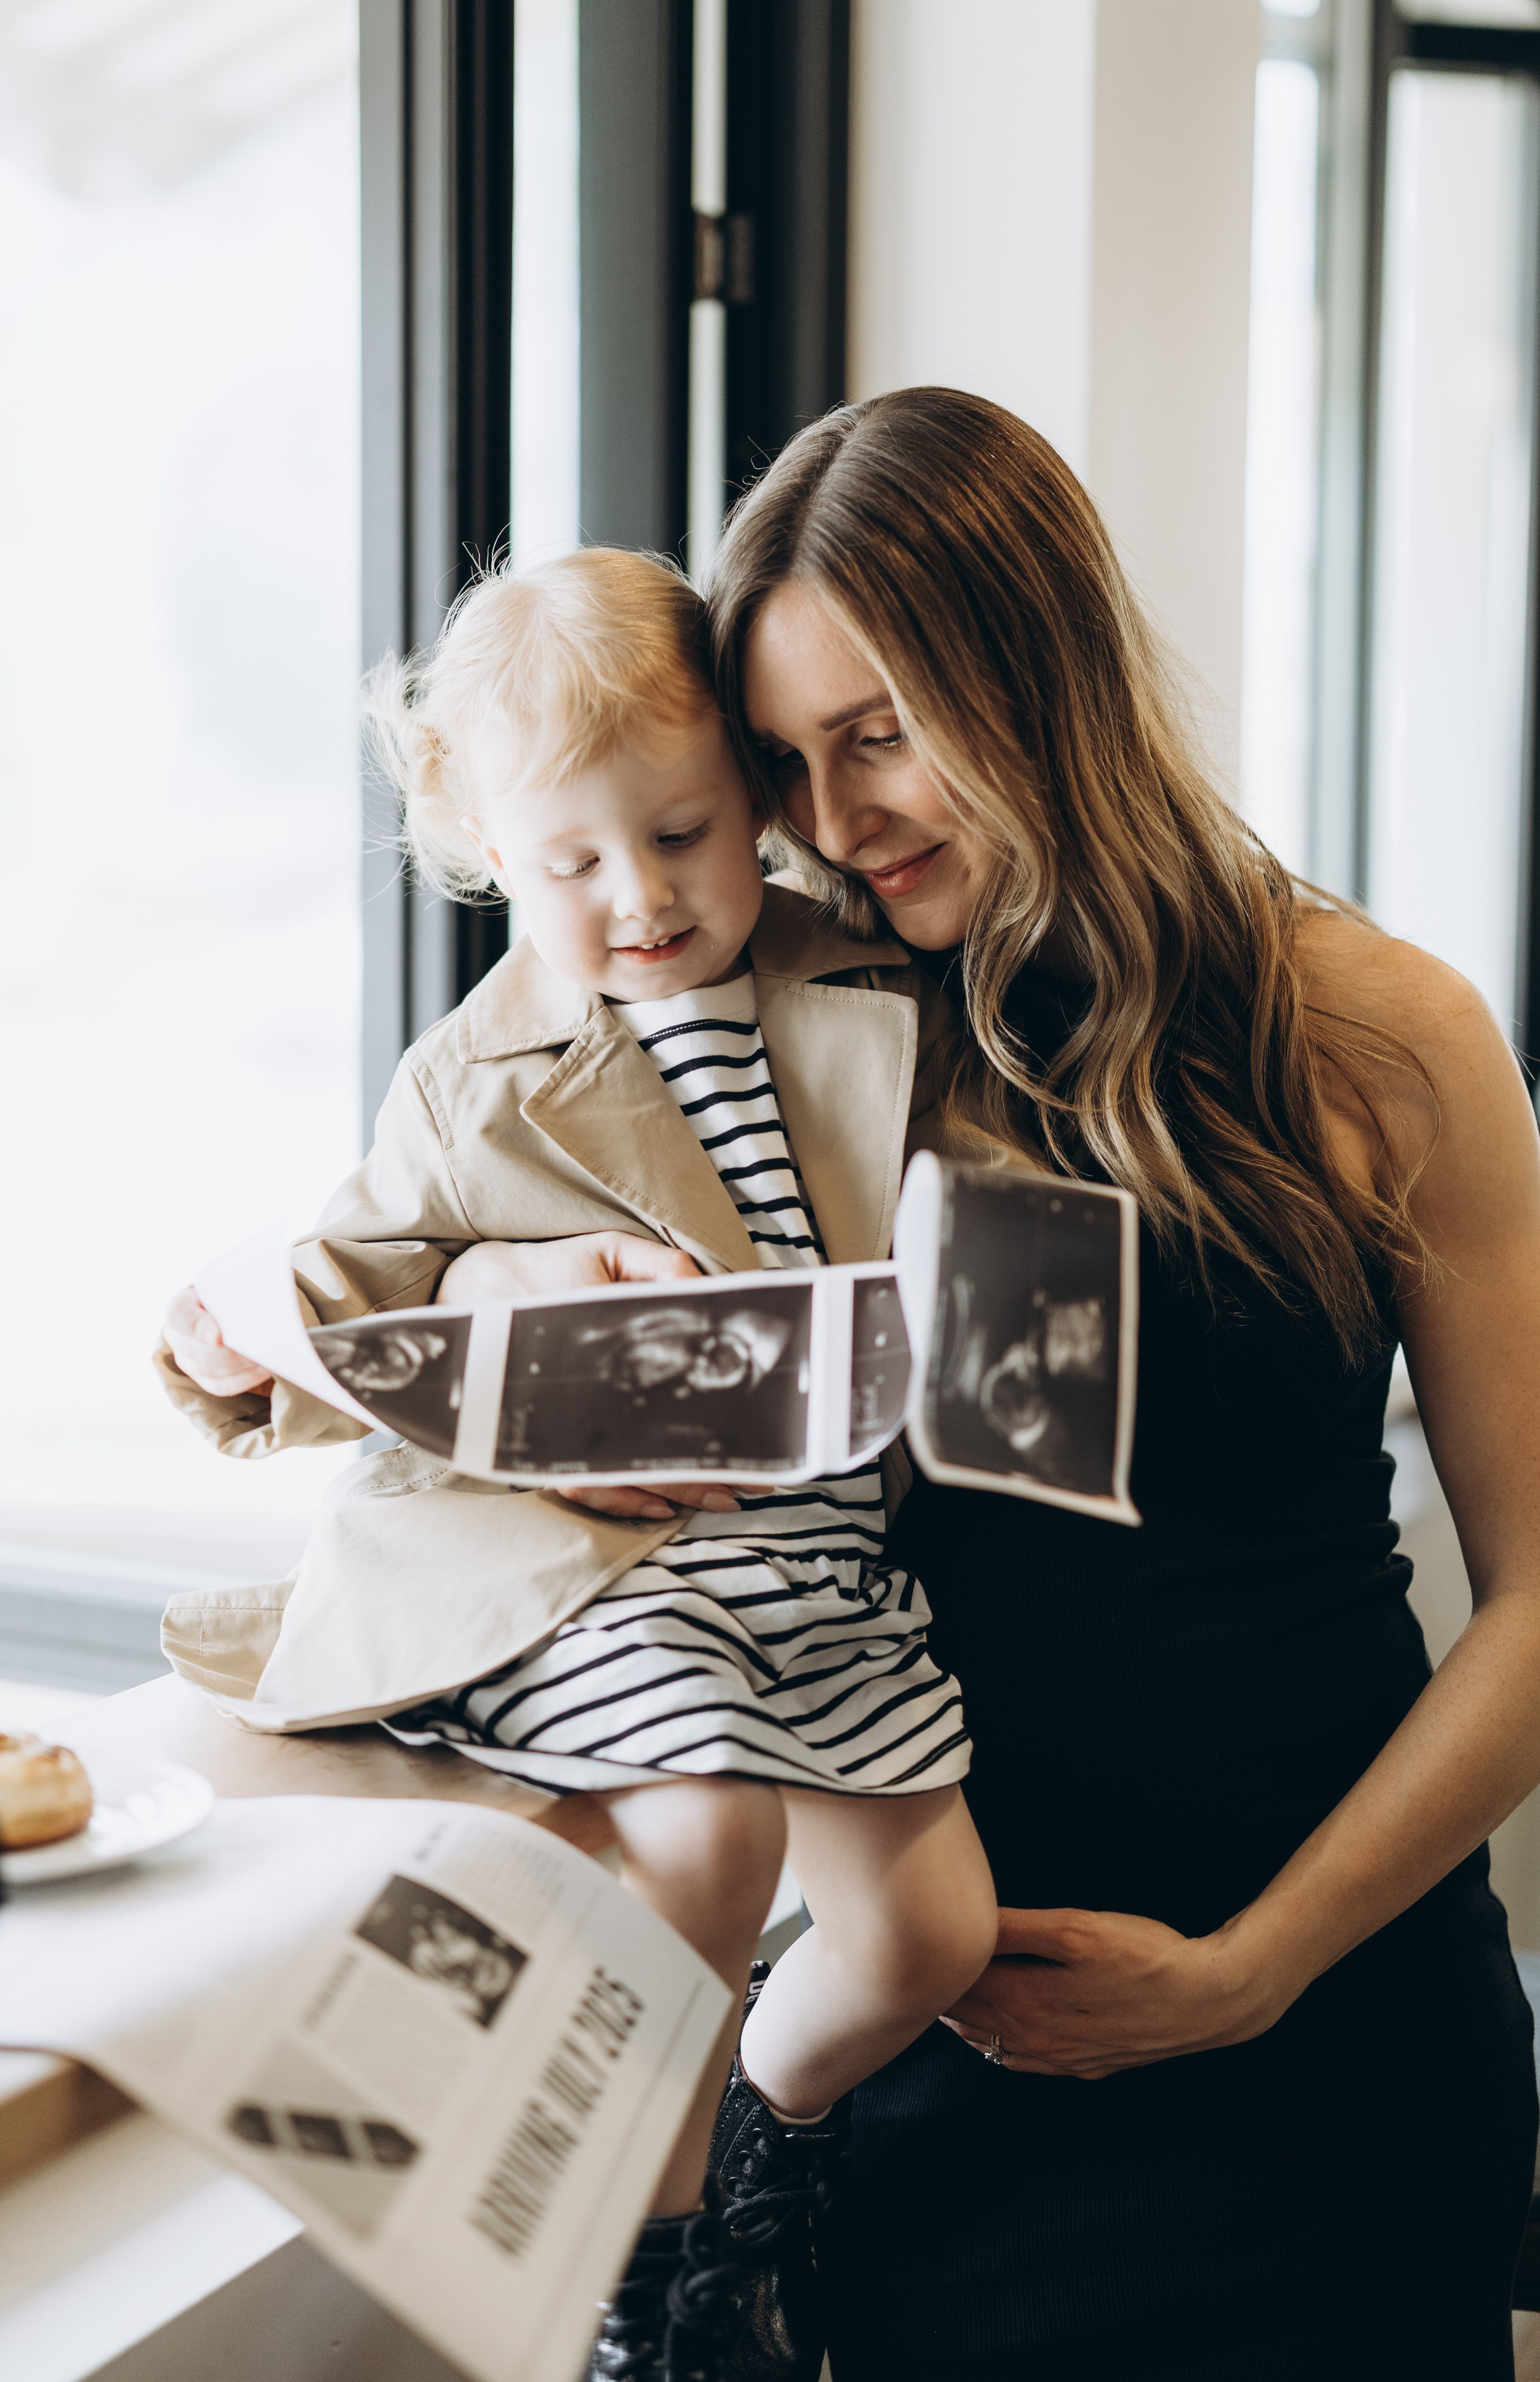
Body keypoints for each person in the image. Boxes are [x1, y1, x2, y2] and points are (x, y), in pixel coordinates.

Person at [486, 390, 1540, 2379]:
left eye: (876, 732)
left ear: (1034, 669)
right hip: (953, 2063)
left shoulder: (1380, 1031)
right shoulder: (799, 1019)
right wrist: (295, 1298)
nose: (840, 814)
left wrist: (1255, 1969)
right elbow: (457, 1158)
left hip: (1340, 2047)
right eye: (787, 765)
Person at [156, 547, 997, 2382]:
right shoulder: (474, 1080)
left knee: (938, 1930)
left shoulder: (861, 975)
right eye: (574, 865)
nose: (640, 899)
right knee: (707, 1828)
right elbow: (343, 1292)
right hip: (604, 1573)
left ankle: (752, 2152)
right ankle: (657, 2269)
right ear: (486, 853)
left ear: (752, 802)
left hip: (820, 1557)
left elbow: (987, 1202)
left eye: (686, 836)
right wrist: (252, 1329)